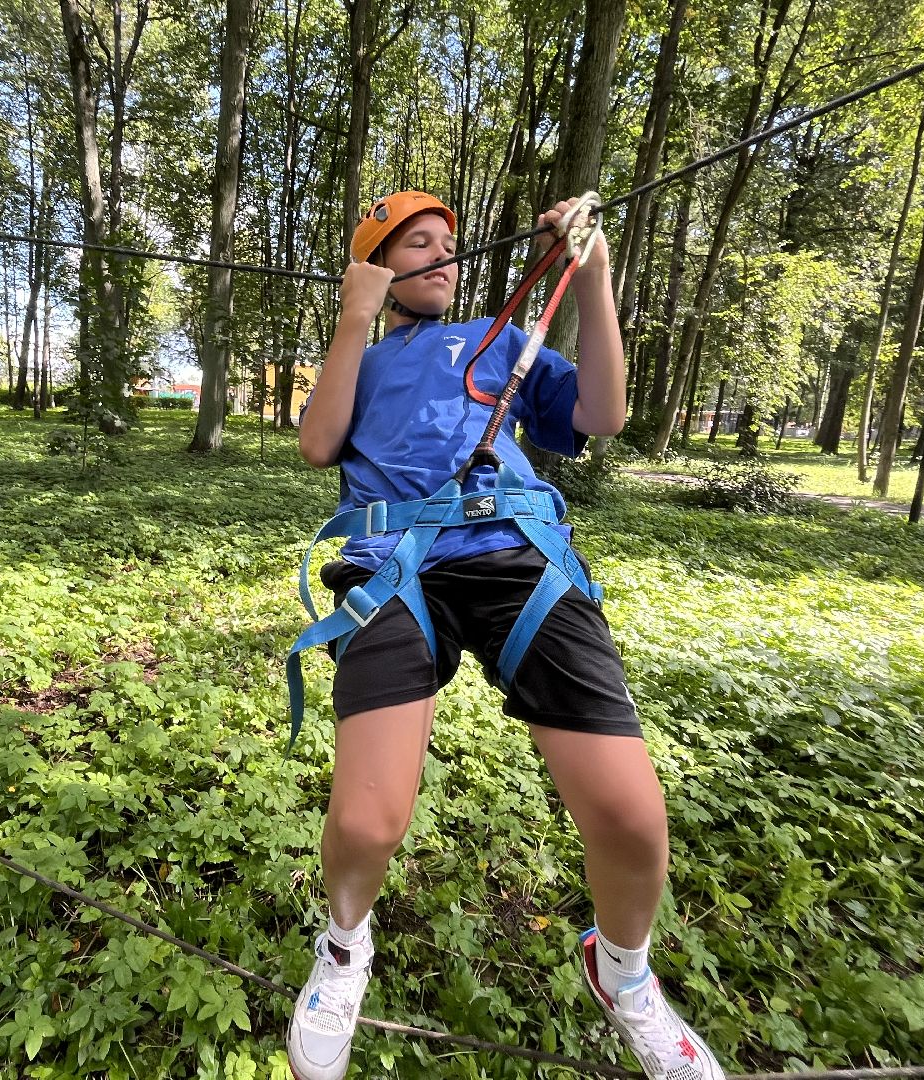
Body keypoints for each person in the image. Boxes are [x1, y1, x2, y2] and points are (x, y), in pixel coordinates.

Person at [286, 190, 724, 1080]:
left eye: (449, 243)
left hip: (519, 558)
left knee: (634, 820)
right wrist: (351, 318)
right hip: (394, 565)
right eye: (419, 245)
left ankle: (625, 974)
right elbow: (317, 444)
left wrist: (593, 273)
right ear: (380, 265)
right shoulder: (362, 358)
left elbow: (601, 415)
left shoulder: (501, 338)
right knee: (368, 823)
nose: (443, 256)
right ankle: (342, 949)